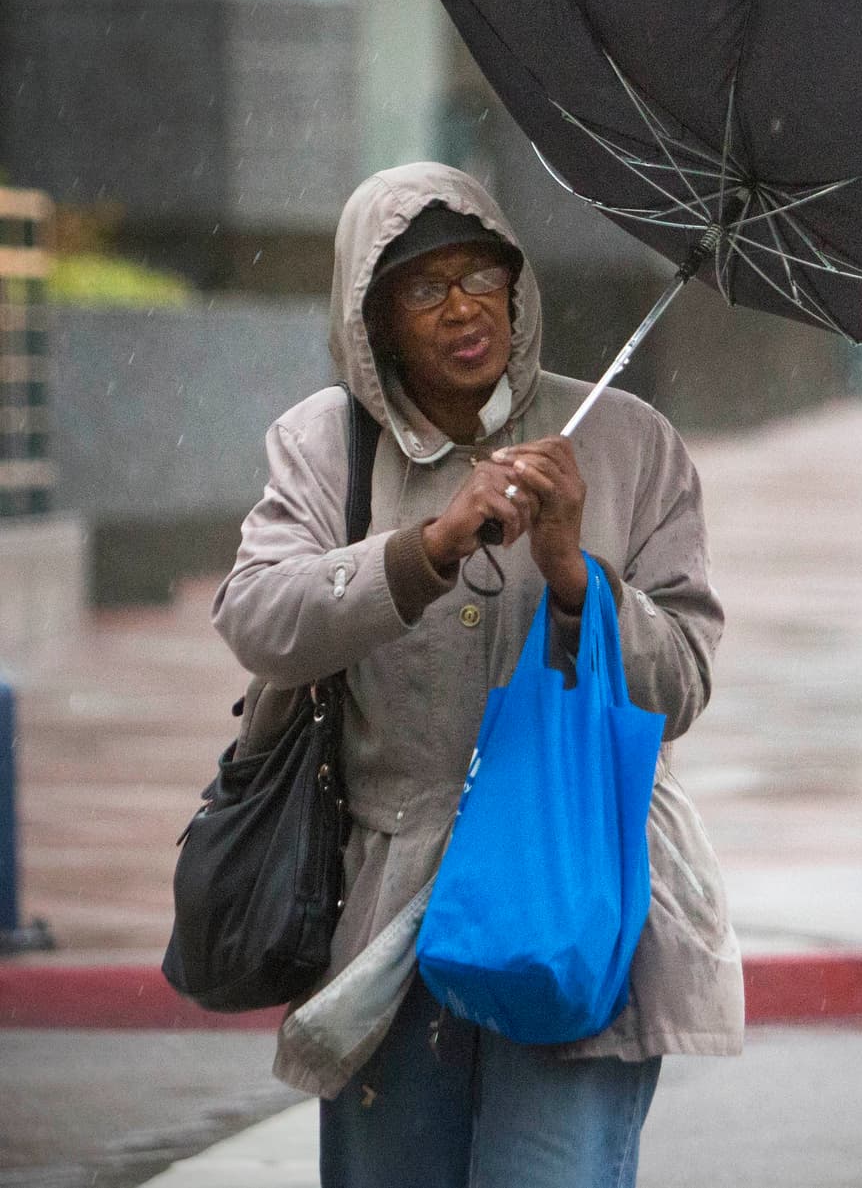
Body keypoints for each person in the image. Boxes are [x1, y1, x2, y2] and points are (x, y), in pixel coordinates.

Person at [212, 162, 744, 1188]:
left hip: (577, 892)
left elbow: (679, 681)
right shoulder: (326, 446)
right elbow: (260, 619)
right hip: (387, 912)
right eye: (423, 287)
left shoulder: (627, 442)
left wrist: (573, 573)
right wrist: (426, 548)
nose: (462, 309)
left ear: (516, 286)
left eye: (481, 276)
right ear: (372, 318)